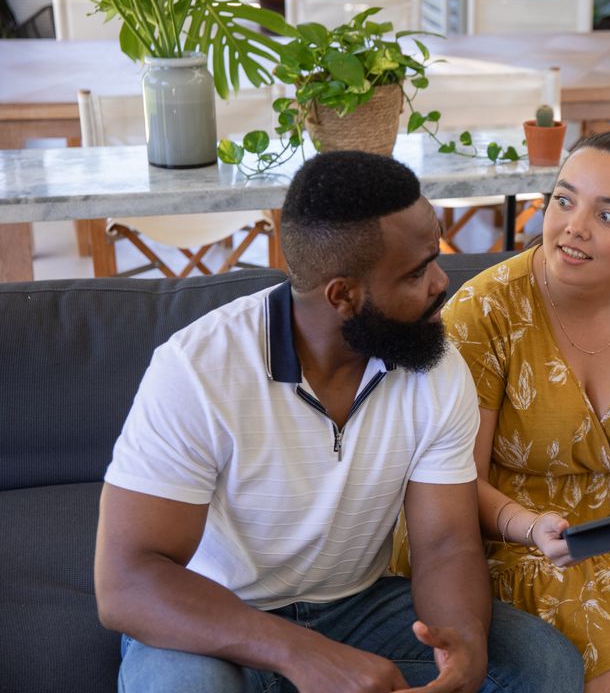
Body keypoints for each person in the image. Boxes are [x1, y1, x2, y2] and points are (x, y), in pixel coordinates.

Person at [94, 150, 583, 693]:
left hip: (356, 609)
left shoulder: (434, 366)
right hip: (213, 617)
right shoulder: (198, 370)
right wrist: (304, 655)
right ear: (343, 296)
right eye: (417, 272)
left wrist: (462, 642)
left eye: (435, 257)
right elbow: (126, 583)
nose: (441, 282)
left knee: (544, 666)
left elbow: (446, 543)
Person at [436, 121, 610, 692]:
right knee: (604, 673)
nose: (575, 227)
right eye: (564, 201)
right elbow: (454, 482)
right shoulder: (485, 311)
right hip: (517, 536)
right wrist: (530, 528)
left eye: (609, 216)